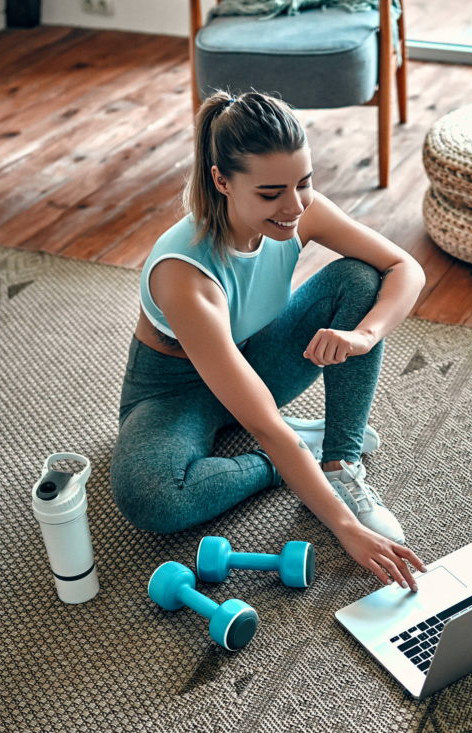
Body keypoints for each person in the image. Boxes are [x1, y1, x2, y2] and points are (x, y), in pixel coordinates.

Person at [111, 90, 427, 591]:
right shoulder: (183, 274)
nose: (294, 205)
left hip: (254, 357)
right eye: (271, 193)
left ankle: (339, 458)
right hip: (173, 389)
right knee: (153, 496)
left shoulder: (300, 211)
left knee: (359, 281)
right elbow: (262, 421)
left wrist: (364, 336)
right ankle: (290, 459)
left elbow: (403, 267)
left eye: (304, 183)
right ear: (221, 180)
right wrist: (344, 530)